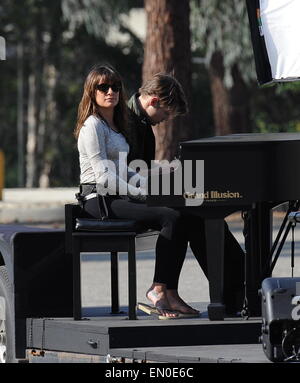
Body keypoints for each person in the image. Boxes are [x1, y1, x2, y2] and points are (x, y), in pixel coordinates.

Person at [74, 63, 199, 318]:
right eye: (103, 87)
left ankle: (168, 291)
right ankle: (158, 288)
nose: (111, 91)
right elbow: (104, 175)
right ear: (92, 91)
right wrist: (142, 193)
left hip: (116, 195)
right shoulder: (92, 126)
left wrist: (155, 185)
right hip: (98, 200)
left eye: (116, 86)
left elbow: (126, 170)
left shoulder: (115, 126)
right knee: (170, 216)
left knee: (182, 215)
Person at [127, 73, 245, 315]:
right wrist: (164, 176)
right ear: (154, 101)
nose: (165, 121)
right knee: (180, 214)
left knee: (197, 211)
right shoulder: (126, 122)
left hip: (137, 191)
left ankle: (224, 290)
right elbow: (126, 173)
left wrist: (165, 173)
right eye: (166, 114)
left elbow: (139, 170)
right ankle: (168, 289)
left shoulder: (141, 124)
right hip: (120, 198)